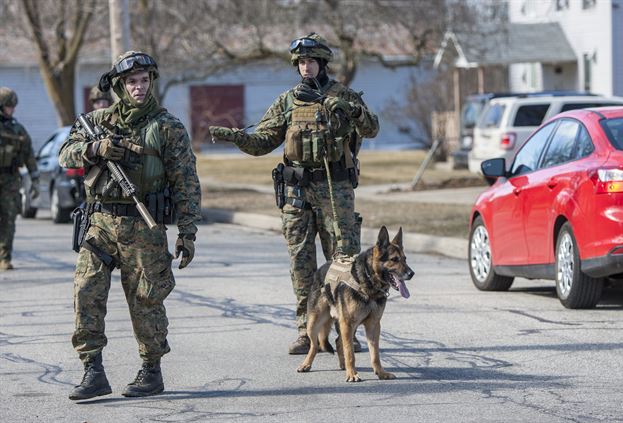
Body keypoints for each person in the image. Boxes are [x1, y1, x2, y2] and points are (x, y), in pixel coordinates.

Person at [209, 33, 379, 355]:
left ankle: (349, 330)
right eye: (301, 62)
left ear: (323, 63)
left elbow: (371, 128)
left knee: (342, 261)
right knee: (301, 263)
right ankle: (307, 330)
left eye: (311, 61)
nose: (306, 67)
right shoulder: (289, 101)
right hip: (298, 190)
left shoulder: (343, 95)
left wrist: (352, 112)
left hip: (335, 190)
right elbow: (263, 141)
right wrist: (237, 138)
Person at [59, 51, 201, 400]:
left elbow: (186, 181)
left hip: (145, 225)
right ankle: (93, 370)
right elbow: (66, 153)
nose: (139, 87)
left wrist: (187, 231)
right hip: (100, 222)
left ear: (151, 82)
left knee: (146, 300)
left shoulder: (166, 127)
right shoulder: (99, 120)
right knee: (86, 291)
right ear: (121, 85)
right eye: (132, 82)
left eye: (144, 81)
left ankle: (151, 370)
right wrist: (96, 148)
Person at [0, 87, 39, 271]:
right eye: (9, 106)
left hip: (10, 179)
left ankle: (4, 257)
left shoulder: (18, 130)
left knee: (9, 219)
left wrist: (35, 180)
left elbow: (29, 156)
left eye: (13, 106)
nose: (12, 110)